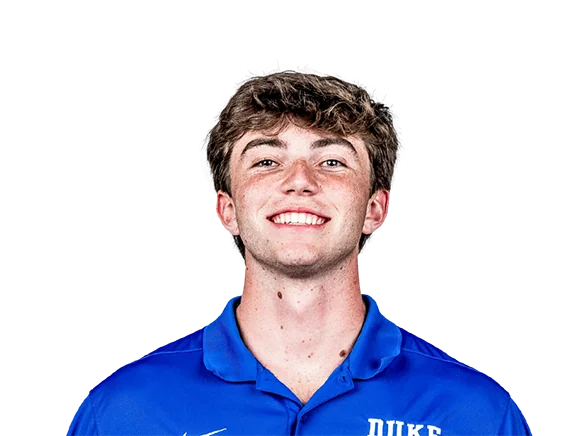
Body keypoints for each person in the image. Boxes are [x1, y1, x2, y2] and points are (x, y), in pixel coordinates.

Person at [67, 65, 531, 436]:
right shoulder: (122, 411)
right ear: (228, 210)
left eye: (332, 161)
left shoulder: (475, 413)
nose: (300, 181)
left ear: (374, 209)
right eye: (267, 161)